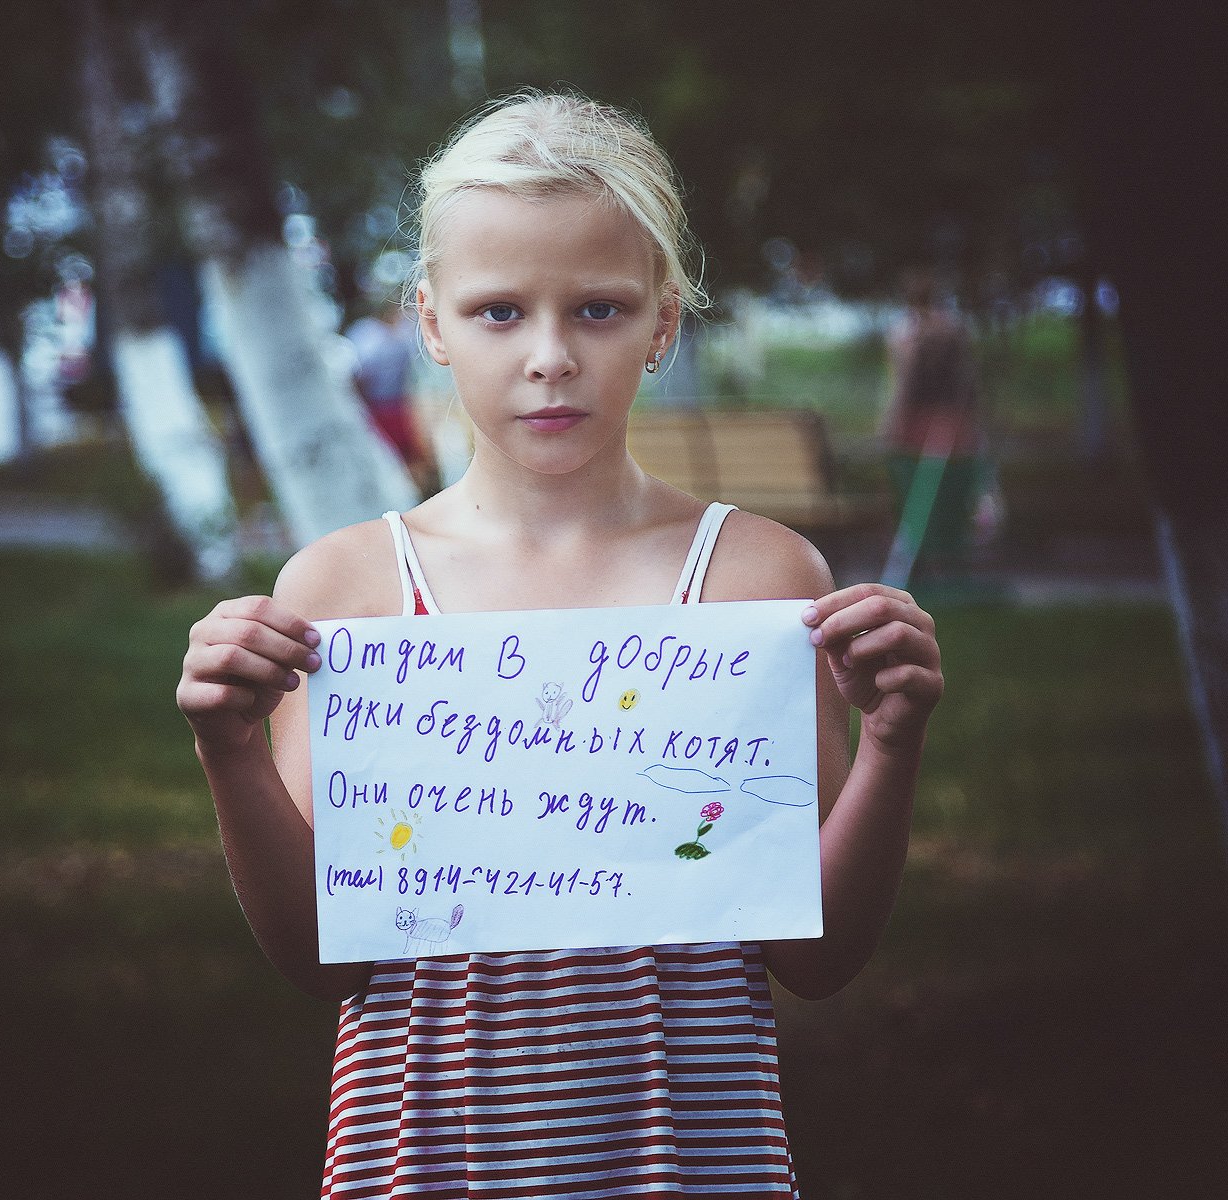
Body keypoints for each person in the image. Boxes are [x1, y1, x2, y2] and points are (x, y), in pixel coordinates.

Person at [178, 93, 943, 1199]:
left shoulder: (753, 579)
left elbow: (816, 957)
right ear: (431, 322)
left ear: (663, 321)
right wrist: (229, 753)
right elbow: (321, 959)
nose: (549, 356)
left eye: (597, 309)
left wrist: (891, 743)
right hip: (428, 1165)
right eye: (498, 311)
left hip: (690, 1168)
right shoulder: (346, 593)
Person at [882, 271, 986, 581]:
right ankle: (939, 563)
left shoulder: (907, 335)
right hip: (946, 427)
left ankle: (926, 562)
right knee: (936, 496)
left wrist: (891, 422)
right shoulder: (950, 330)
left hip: (921, 426)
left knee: (922, 495)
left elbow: (903, 384)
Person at [344, 298, 433, 490]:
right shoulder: (365, 334)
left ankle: (415, 491)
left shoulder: (404, 333)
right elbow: (358, 376)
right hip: (377, 408)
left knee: (409, 453)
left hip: (401, 405)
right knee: (390, 455)